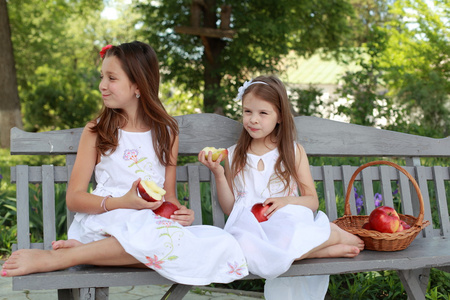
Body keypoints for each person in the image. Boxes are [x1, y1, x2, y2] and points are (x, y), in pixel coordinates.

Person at [1, 41, 248, 285]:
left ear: (138, 85)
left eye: (112, 78)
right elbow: (74, 198)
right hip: (108, 220)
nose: (102, 86)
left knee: (221, 242)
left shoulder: (167, 133)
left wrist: (180, 213)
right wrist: (123, 202)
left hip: (151, 227)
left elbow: (168, 197)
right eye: (102, 77)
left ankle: (87, 254)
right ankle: (58, 259)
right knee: (167, 245)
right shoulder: (98, 131)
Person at [198, 75, 364, 299]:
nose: (253, 119)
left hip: (285, 223)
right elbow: (231, 209)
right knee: (240, 251)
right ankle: (322, 247)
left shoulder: (292, 152)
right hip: (250, 229)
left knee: (282, 239)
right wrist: (218, 173)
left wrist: (286, 201)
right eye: (248, 111)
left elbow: (311, 201)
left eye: (263, 113)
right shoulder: (234, 153)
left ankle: (320, 240)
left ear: (280, 117)